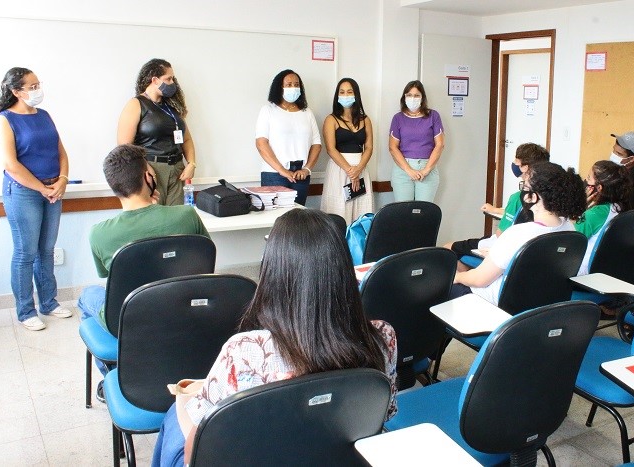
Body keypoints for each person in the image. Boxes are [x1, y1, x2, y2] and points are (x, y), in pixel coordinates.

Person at [151, 209, 398, 466]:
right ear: (343, 269)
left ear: (273, 271)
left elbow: (197, 452)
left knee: (177, 414)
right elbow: (385, 413)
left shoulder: (245, 352)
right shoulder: (384, 337)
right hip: (339, 459)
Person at [77, 144, 209, 402]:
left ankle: (113, 373)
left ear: (114, 186)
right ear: (148, 177)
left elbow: (110, 275)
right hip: (185, 311)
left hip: (129, 319)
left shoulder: (99, 233)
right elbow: (205, 257)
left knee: (87, 295)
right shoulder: (186, 216)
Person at [0, 67, 72, 331]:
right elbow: (11, 165)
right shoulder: (5, 119)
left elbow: (61, 152)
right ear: (16, 91)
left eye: (38, 84)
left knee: (46, 250)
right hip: (23, 192)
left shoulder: (44, 115)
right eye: (32, 86)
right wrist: (41, 188)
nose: (38, 90)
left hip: (53, 189)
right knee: (26, 253)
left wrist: (62, 180)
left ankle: (49, 302)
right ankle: (26, 311)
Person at [451, 162, 586, 305]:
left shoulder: (518, 234)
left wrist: (458, 277)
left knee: (443, 288)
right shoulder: (570, 229)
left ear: (533, 197)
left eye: (525, 187)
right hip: (540, 305)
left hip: (495, 304)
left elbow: (479, 280)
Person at [444, 143, 549, 270]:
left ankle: (467, 280)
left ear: (525, 167)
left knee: (448, 249)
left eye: (516, 161)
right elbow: (519, 215)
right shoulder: (549, 197)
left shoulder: (518, 197)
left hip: (505, 249)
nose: (513, 163)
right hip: (535, 254)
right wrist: (494, 210)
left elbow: (501, 234)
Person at [117, 58, 196, 206]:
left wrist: (191, 163)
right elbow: (125, 146)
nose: (172, 83)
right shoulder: (136, 104)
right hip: (151, 169)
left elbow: (186, 140)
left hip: (177, 170)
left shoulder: (172, 107)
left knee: (175, 217)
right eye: (168, 79)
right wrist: (145, 167)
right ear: (155, 80)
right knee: (155, 216)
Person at [255, 69, 322, 206]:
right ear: (279, 88)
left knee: (298, 215)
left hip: (301, 175)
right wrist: (282, 170)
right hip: (274, 174)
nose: (293, 88)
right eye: (289, 85)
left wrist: (307, 169)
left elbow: (316, 144)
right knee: (276, 216)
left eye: (296, 85)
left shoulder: (307, 113)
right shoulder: (268, 110)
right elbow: (261, 144)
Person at [320, 78, 374, 224]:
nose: (345, 95)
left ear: (356, 94)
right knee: (339, 215)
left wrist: (358, 170)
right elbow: (330, 149)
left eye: (349, 92)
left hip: (361, 169)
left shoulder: (365, 120)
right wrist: (350, 171)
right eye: (342, 92)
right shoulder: (331, 119)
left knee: (361, 216)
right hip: (339, 170)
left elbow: (369, 147)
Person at [388, 80, 444, 202]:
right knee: (403, 210)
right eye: (409, 95)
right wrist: (409, 170)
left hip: (427, 168)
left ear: (422, 98)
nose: (412, 98)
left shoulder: (433, 116)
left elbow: (439, 145)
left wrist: (426, 170)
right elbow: (393, 147)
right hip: (403, 170)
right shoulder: (398, 118)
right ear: (404, 97)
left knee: (423, 210)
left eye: (416, 95)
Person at [575, 160, 631, 275]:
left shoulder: (594, 214)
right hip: (609, 269)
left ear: (599, 188)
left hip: (585, 271)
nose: (585, 181)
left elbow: (570, 240)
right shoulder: (620, 207)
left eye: (588, 178)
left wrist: (578, 209)